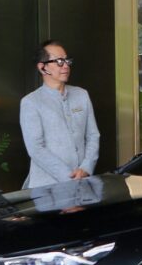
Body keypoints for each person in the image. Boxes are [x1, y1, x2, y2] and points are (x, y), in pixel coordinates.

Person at [19, 40, 100, 189]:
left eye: (67, 60)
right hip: (46, 187)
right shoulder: (31, 102)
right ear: (42, 68)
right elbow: (36, 149)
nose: (66, 66)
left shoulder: (82, 95)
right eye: (59, 61)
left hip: (83, 182)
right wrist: (69, 177)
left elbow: (92, 135)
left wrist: (86, 167)